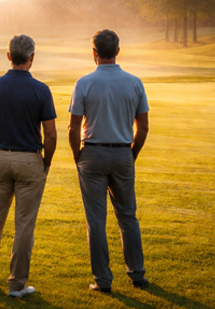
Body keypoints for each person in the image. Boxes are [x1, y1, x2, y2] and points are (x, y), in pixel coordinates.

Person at [0, 34, 57, 298]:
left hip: (0, 158)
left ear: (9, 56)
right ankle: (17, 286)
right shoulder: (41, 90)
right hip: (30, 160)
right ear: (32, 58)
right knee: (24, 226)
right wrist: (46, 162)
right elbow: (51, 135)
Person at [68, 29, 150, 294]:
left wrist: (77, 157)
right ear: (117, 51)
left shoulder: (84, 83)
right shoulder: (135, 82)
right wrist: (131, 154)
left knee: (96, 221)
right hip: (123, 153)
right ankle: (137, 275)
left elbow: (73, 127)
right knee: (128, 217)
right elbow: (144, 127)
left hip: (91, 153)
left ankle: (103, 281)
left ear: (94, 53)